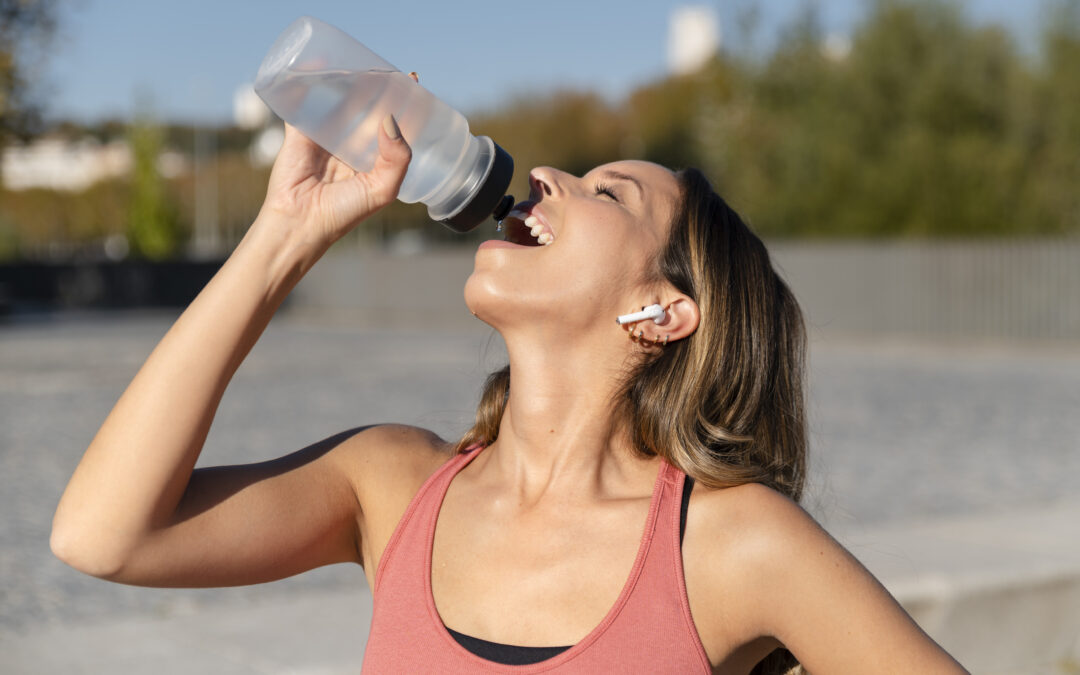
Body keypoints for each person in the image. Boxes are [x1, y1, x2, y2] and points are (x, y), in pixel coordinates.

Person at [51, 114, 967, 674]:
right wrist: (283, 236)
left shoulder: (731, 542)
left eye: (609, 191)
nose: (545, 179)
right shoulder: (394, 487)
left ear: (663, 311)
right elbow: (103, 534)